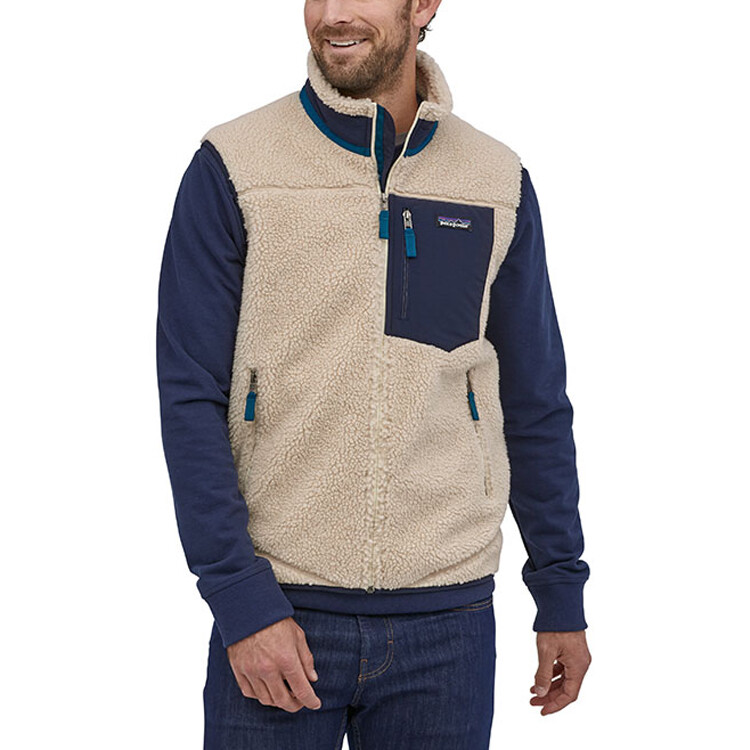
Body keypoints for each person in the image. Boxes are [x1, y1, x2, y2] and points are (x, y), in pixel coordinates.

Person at [156, 0, 592, 746]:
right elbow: (190, 394)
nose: (333, 14)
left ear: (423, 5)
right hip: (278, 611)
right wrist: (239, 599)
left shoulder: (494, 178)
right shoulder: (235, 166)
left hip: (448, 624)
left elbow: (533, 399)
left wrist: (559, 589)